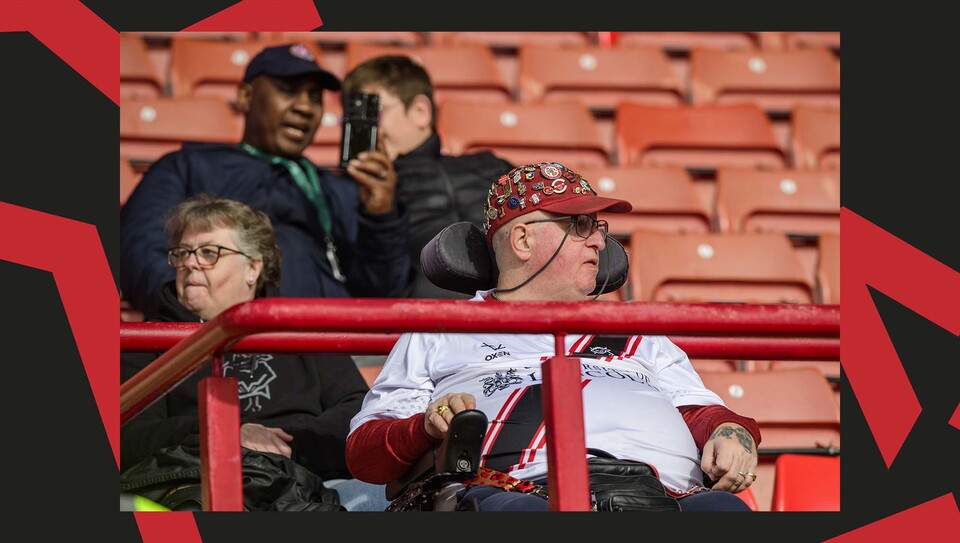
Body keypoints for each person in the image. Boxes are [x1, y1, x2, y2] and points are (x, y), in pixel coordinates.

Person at [345, 162, 761, 512]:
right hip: (518, 496)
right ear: (523, 240)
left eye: (598, 225)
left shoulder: (637, 333)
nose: (600, 239)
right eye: (580, 225)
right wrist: (426, 428)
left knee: (724, 510)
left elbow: (701, 412)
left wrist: (730, 432)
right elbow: (366, 456)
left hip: (669, 501)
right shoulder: (440, 329)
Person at [120, 195, 390, 512]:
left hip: (312, 482)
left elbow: (356, 411)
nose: (190, 263)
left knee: (384, 499)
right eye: (182, 253)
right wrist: (223, 435)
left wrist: (283, 444)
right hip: (196, 483)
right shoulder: (147, 340)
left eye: (209, 253)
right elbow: (129, 435)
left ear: (253, 266)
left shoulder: (300, 330)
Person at [120, 43, 410, 319]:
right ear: (246, 97)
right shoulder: (188, 166)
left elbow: (381, 290)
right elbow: (138, 253)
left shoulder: (338, 189)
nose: (305, 107)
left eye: (314, 97)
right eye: (287, 90)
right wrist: (193, 317)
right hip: (222, 342)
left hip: (333, 350)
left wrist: (380, 215)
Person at [341, 55, 513, 299]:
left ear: (420, 111)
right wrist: (379, 214)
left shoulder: (490, 166)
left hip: (515, 322)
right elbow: (374, 286)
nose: (362, 129)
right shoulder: (355, 192)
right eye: (352, 119)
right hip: (424, 326)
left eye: (373, 114)